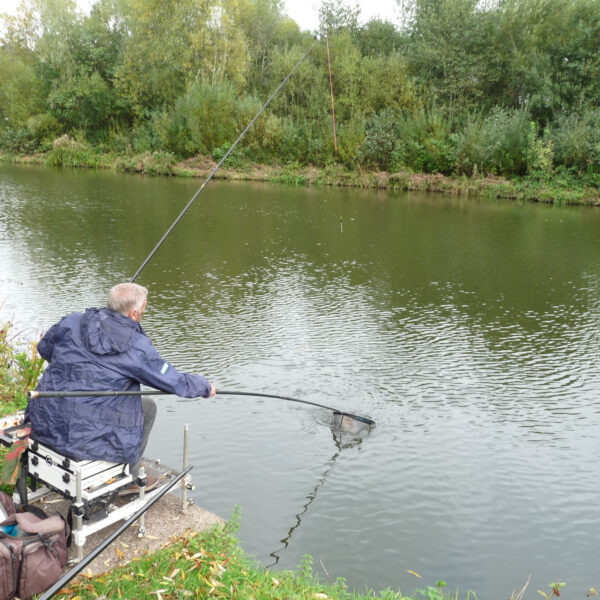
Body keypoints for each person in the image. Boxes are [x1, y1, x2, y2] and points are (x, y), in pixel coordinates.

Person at [26, 283, 215, 493]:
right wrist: (204, 387)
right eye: (144, 309)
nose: (144, 313)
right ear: (133, 313)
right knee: (148, 407)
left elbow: (44, 349)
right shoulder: (135, 346)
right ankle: (131, 477)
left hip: (45, 421)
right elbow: (173, 381)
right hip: (81, 437)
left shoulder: (72, 321)